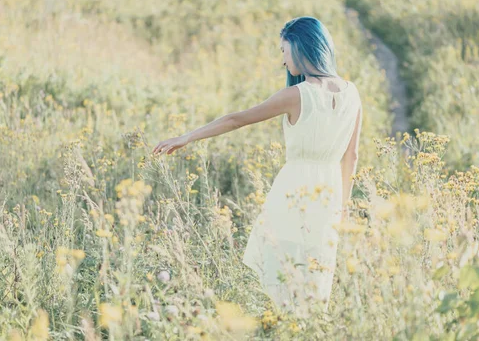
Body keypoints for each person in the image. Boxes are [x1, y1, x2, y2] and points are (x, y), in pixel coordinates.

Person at [152, 16, 362, 317]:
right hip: (329, 195)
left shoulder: (297, 94)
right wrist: (341, 209)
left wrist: (187, 136)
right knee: (316, 279)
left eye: (284, 51)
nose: (283, 59)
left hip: (294, 191)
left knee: (282, 276)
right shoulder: (352, 93)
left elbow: (236, 119)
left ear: (301, 48)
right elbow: (351, 157)